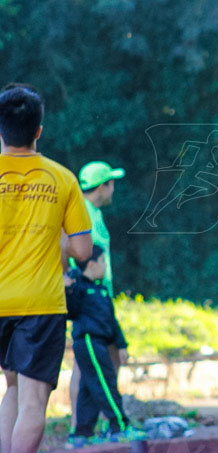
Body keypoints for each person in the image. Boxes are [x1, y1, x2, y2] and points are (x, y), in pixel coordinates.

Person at [0, 84, 93, 453]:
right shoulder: (63, 179)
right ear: (39, 130)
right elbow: (84, 252)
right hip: (40, 305)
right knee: (33, 401)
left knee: (14, 390)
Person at [64, 246, 140, 446]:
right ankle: (119, 425)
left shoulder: (102, 291)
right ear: (91, 263)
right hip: (87, 341)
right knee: (105, 383)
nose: (105, 266)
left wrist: (121, 345)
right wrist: (69, 287)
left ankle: (82, 432)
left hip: (101, 342)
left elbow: (112, 321)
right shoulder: (78, 288)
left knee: (90, 387)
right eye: (103, 261)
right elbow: (69, 311)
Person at [69, 160, 125, 431]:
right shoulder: (83, 212)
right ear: (103, 186)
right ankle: (81, 426)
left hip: (101, 297)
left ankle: (103, 423)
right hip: (89, 300)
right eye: (111, 183)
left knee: (108, 360)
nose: (113, 189)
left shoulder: (94, 213)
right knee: (86, 365)